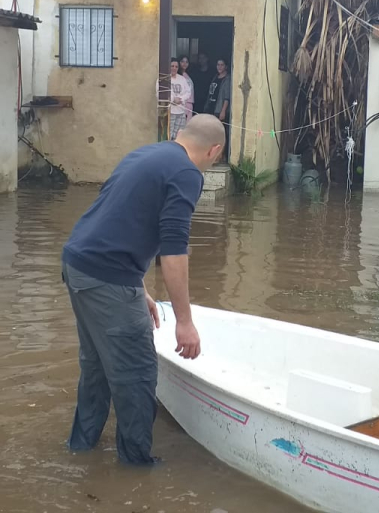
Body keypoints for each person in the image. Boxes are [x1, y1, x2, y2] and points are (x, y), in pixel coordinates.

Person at [62, 115, 224, 466]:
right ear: (215, 151)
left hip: (79, 264)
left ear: (179, 135)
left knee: (98, 368)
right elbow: (174, 251)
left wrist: (139, 287)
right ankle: (135, 469)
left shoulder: (146, 155)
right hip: (107, 276)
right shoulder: (187, 174)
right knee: (137, 374)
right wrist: (185, 322)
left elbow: (115, 218)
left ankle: (81, 449)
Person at [203, 59, 233, 161]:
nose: (219, 67)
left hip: (219, 109)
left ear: (226, 66)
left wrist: (223, 111)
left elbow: (226, 97)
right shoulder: (215, 77)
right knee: (211, 133)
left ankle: (220, 156)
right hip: (211, 107)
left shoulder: (227, 79)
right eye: (218, 64)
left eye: (222, 65)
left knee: (220, 134)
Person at [167, 58, 192, 140]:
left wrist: (180, 99)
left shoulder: (182, 79)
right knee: (168, 135)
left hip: (181, 112)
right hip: (169, 112)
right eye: (172, 66)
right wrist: (173, 99)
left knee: (179, 136)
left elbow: (188, 92)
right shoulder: (164, 78)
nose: (174, 68)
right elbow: (160, 92)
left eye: (176, 67)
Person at [179, 55, 196, 120]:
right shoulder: (178, 76)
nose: (184, 64)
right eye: (182, 61)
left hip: (190, 104)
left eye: (186, 62)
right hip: (183, 104)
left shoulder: (187, 74)